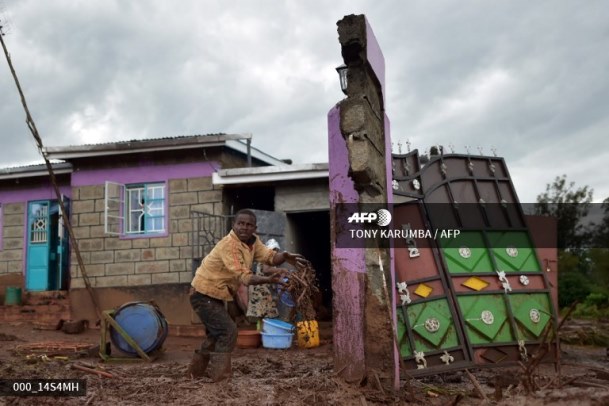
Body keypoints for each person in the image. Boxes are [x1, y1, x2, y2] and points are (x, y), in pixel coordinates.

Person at [188, 209, 306, 381]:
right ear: (233, 225)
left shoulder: (253, 242)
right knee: (228, 331)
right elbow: (244, 276)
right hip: (202, 293)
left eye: (249, 225)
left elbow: (269, 257)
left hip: (217, 294)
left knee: (216, 334)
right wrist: (269, 279)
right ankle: (221, 378)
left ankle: (194, 373)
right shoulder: (229, 246)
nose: (244, 227)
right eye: (240, 223)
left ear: (254, 228)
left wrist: (285, 257)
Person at [246, 238, 285, 326]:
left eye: (276, 250)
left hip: (262, 289)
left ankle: (262, 331)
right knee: (265, 313)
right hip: (261, 289)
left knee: (262, 314)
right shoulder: (267, 256)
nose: (275, 252)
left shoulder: (269, 258)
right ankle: (264, 331)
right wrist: (281, 270)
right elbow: (266, 270)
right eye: (274, 250)